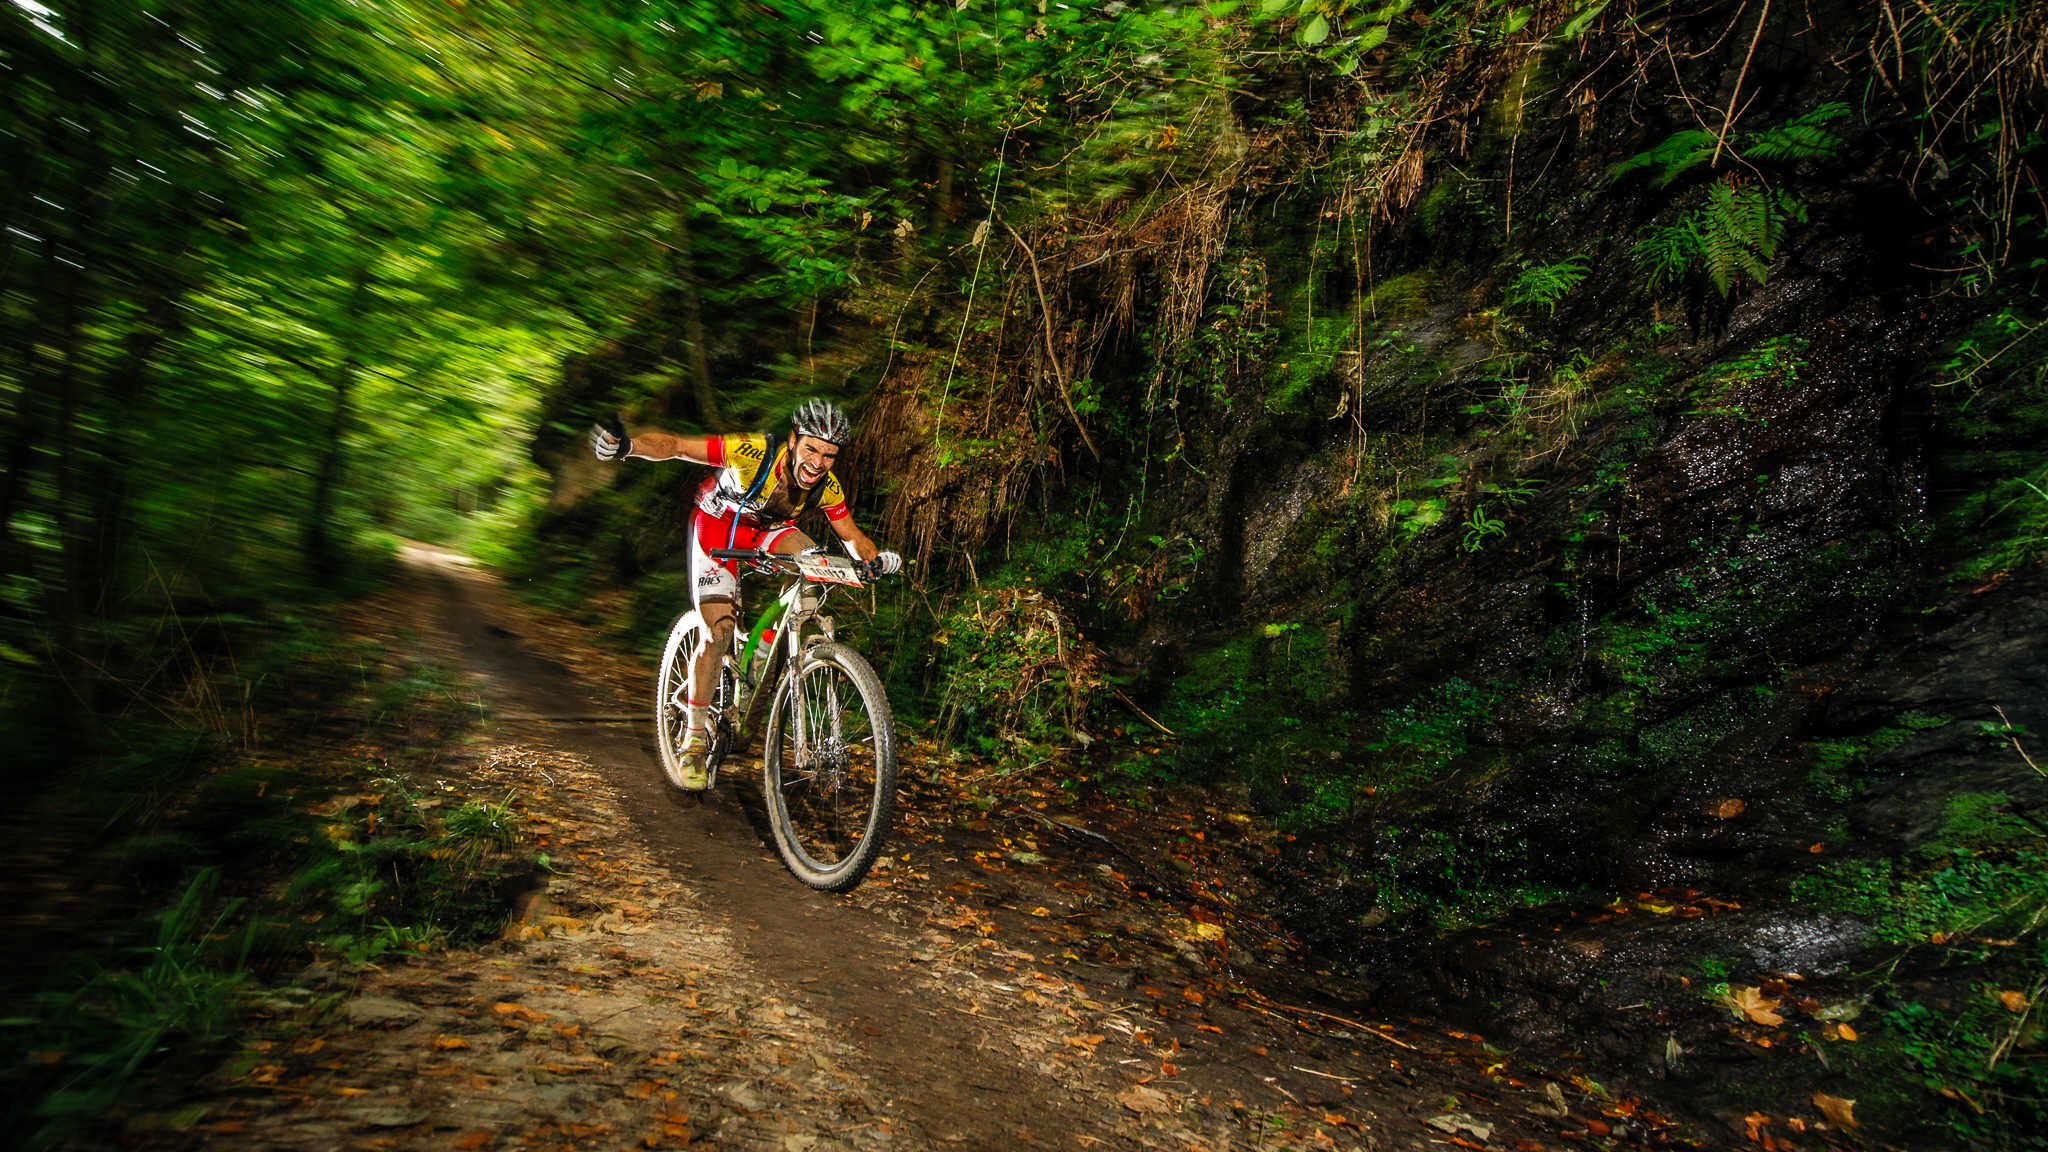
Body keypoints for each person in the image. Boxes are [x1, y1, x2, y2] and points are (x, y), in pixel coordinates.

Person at [588, 399, 901, 789]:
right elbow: (678, 446)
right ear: (792, 441)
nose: (817, 462)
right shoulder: (751, 452)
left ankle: (766, 652)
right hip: (718, 527)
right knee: (717, 633)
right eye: (810, 449)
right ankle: (694, 739)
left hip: (766, 531)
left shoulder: (827, 486)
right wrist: (626, 446)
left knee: (815, 563)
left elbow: (852, 537)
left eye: (828, 454)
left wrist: (876, 560)